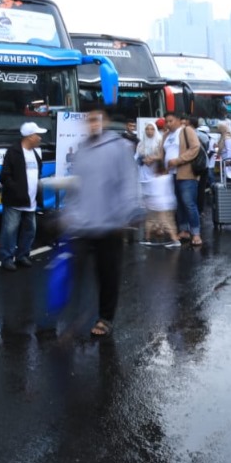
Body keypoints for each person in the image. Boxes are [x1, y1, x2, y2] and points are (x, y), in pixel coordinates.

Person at [61, 105, 140, 337]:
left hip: (110, 225)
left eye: (97, 120)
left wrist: (128, 213)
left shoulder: (119, 148)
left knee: (107, 275)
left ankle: (105, 318)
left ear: (104, 121)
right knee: (75, 271)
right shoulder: (83, 149)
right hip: (83, 224)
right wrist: (69, 214)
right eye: (89, 120)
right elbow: (77, 186)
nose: (93, 124)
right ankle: (75, 315)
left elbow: (128, 182)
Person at [0, 122, 46, 270]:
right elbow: (4, 176)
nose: (40, 138)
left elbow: (37, 175)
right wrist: (17, 190)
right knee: (9, 231)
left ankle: (23, 255)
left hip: (30, 201)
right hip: (15, 201)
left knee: (29, 230)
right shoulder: (13, 152)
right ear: (30, 137)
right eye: (38, 135)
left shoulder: (35, 154)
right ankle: (7, 259)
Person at [163, 111, 202, 247]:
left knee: (189, 204)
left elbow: (195, 148)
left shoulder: (187, 131)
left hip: (186, 174)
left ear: (179, 121)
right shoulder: (167, 135)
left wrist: (178, 160)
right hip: (172, 175)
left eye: (171, 121)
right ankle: (184, 230)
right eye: (166, 121)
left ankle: (196, 233)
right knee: (179, 204)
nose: (168, 124)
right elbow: (163, 152)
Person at [137, 122, 177, 246]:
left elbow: (163, 157)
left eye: (151, 129)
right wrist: (144, 160)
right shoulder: (141, 143)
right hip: (145, 175)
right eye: (147, 129)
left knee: (159, 208)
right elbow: (137, 158)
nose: (149, 132)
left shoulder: (159, 141)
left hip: (157, 175)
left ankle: (161, 230)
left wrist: (153, 159)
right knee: (151, 208)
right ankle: (154, 231)